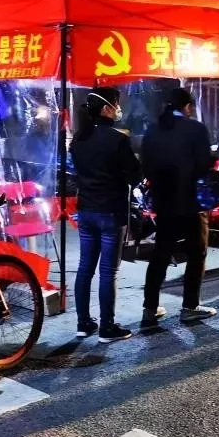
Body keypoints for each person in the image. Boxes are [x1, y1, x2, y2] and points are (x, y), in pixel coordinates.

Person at [140, 87, 219, 325]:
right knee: (197, 253)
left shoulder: (153, 130)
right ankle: (190, 306)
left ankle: (150, 308)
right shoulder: (195, 128)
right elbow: (203, 165)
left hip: (164, 203)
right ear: (187, 107)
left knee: (161, 254)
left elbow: (146, 166)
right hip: (191, 202)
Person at [70, 87, 141, 342]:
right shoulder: (116, 139)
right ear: (106, 109)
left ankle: (83, 323)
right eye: (116, 105)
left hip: (86, 211)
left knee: (85, 268)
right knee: (108, 271)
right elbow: (135, 175)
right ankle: (107, 327)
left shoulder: (78, 140)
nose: (118, 109)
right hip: (111, 212)